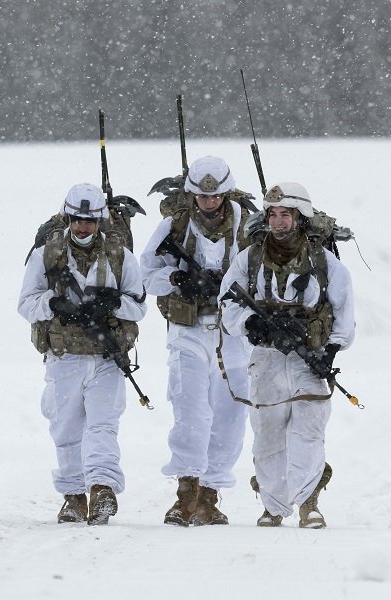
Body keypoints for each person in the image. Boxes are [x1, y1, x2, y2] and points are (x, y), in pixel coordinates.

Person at [220, 181, 355, 528]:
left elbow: (343, 313)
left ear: (300, 217)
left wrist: (331, 352)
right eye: (273, 214)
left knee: (308, 432)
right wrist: (252, 324)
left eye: (286, 215)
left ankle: (309, 502)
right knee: (267, 433)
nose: (278, 222)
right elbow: (228, 304)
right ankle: (273, 505)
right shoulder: (248, 259)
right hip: (266, 359)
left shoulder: (325, 263)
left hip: (309, 356)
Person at [18, 182, 147, 526]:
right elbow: (26, 304)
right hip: (64, 356)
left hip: (107, 357)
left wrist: (114, 302)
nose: (83, 228)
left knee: (103, 425)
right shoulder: (46, 254)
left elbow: (139, 306)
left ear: (100, 220)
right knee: (66, 427)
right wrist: (53, 303)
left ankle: (102, 489)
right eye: (76, 220)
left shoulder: (121, 256)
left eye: (89, 221)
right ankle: (73, 495)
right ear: (67, 218)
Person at [140, 156, 251, 526]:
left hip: (233, 331)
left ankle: (210, 494)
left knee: (230, 413)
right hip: (187, 328)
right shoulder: (176, 225)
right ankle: (186, 491)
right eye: (202, 196)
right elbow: (145, 274)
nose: (209, 202)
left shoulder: (248, 226)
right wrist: (177, 279)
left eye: (216, 195)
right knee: (189, 410)